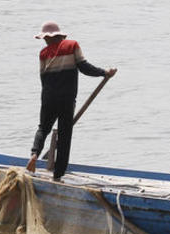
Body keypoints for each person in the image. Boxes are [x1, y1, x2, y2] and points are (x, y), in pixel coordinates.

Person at [25, 21, 116, 181]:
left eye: (45, 38)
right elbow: (84, 67)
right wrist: (104, 72)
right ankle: (58, 175)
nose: (45, 41)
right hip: (66, 99)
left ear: (48, 38)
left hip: (48, 98)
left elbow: (43, 79)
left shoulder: (43, 53)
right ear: (60, 35)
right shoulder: (72, 45)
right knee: (64, 135)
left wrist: (46, 98)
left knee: (43, 129)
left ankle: (34, 154)